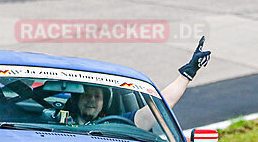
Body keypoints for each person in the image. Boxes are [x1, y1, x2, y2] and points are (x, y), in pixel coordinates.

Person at [65, 37, 211, 128]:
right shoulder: (52, 121)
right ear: (76, 98)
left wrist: (187, 74)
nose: (92, 100)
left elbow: (158, 109)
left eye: (97, 97)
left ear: (105, 102)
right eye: (87, 95)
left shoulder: (116, 125)